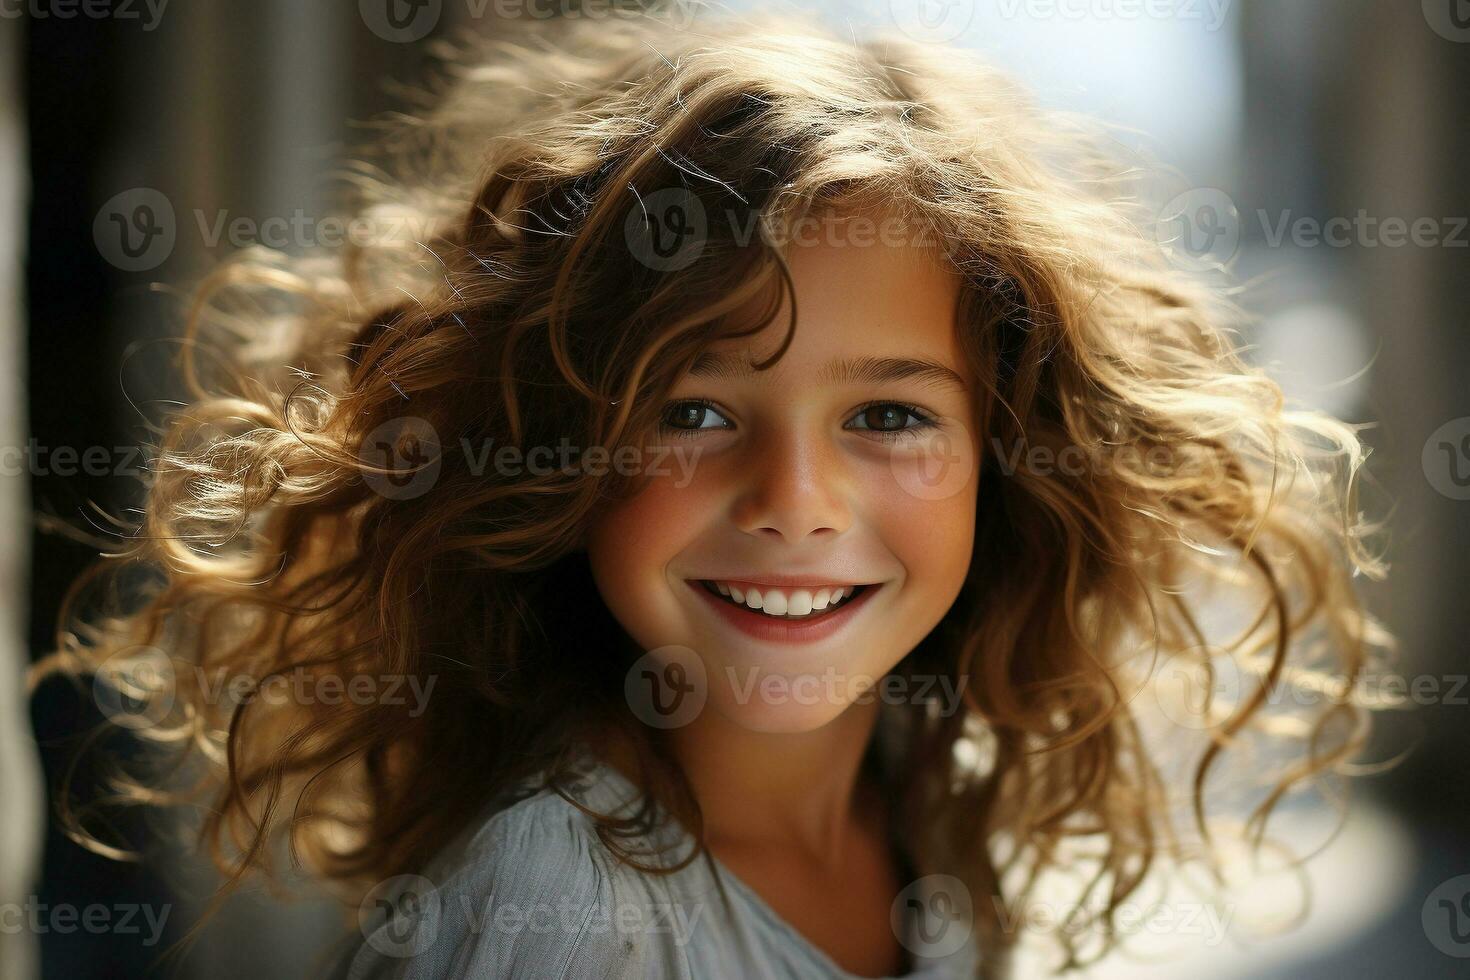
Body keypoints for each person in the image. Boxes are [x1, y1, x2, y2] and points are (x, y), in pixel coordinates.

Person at [36, 8, 1395, 979]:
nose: (794, 498)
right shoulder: (565, 907)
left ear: (1012, 450)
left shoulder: (919, 781)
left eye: (886, 415)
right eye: (692, 410)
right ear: (559, 445)